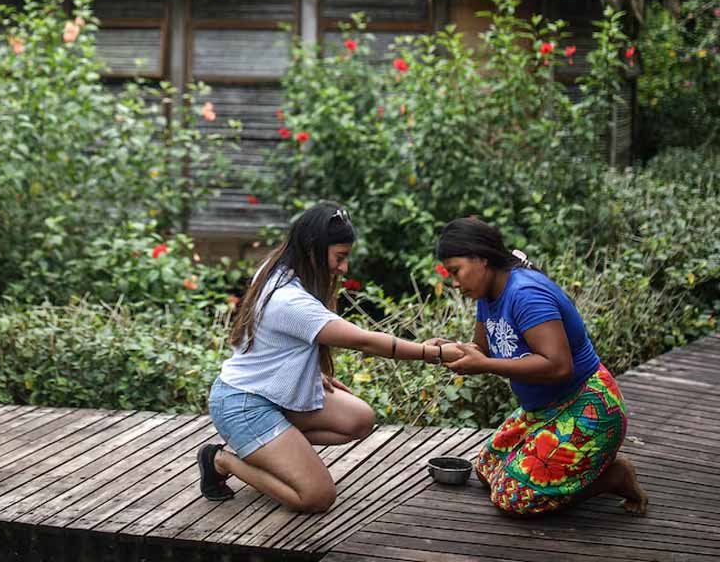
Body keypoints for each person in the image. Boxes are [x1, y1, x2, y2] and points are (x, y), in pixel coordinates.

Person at [198, 201, 460, 512]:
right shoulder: (288, 299)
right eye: (340, 257)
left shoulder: (278, 269)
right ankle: (223, 460)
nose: (344, 267)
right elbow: (364, 341)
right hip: (242, 405)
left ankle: (275, 448)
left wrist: (304, 373)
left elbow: (271, 345)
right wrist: (433, 353)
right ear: (313, 249)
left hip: (267, 394)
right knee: (316, 497)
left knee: (359, 419)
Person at [431, 217, 648, 517]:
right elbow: (482, 349)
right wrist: (446, 350)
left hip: (587, 407)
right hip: (542, 411)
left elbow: (558, 366)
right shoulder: (487, 293)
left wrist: (487, 366)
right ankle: (572, 471)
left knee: (513, 498)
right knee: (486, 469)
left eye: (456, 271)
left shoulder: (525, 295)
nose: (454, 283)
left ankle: (613, 477)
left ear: (481, 259)